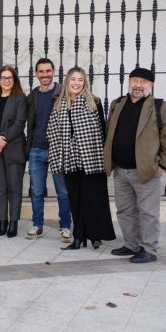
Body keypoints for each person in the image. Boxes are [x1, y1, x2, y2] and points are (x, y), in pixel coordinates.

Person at [104, 68, 166, 263]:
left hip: (146, 170)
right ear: (129, 82)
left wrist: (163, 165)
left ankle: (149, 249)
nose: (138, 85)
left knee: (148, 212)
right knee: (125, 210)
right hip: (120, 169)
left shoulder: (162, 108)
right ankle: (131, 244)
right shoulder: (117, 104)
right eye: (134, 80)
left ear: (151, 85)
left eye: (143, 82)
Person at [47, 67, 116, 250]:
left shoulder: (94, 102)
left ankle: (95, 236)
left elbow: (102, 131)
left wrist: (105, 158)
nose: (76, 83)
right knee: (75, 199)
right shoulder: (59, 104)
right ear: (67, 82)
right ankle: (78, 237)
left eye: (80, 80)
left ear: (85, 83)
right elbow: (53, 133)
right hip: (69, 159)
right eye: (73, 79)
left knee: (93, 198)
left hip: (91, 158)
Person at [25, 58, 72, 242]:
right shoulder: (33, 96)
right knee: (36, 191)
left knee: (63, 191)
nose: (45, 75)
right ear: (36, 73)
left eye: (48, 71)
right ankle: (37, 225)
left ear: (53, 71)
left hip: (58, 148)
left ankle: (65, 226)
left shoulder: (63, 92)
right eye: (41, 72)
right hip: (36, 149)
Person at [0, 66, 27, 238]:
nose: (6, 81)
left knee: (14, 188)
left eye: (10, 78)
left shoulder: (20, 98)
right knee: (0, 188)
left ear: (14, 80)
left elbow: (19, 123)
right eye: (3, 78)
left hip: (14, 148)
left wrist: (3, 139)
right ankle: (3, 221)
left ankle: (14, 222)